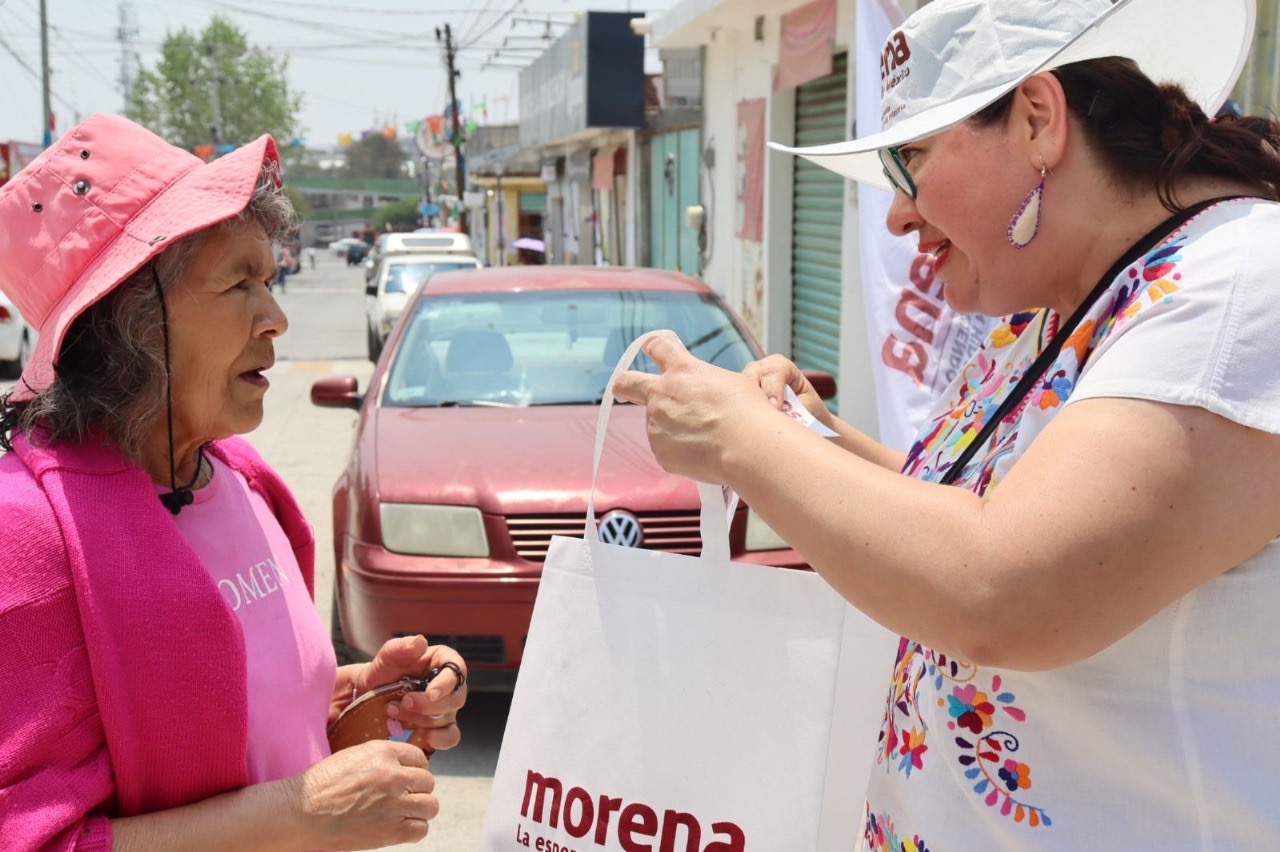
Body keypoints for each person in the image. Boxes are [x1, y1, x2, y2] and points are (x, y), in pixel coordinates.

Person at [613, 0, 1280, 846]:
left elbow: (1004, 587)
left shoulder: (1241, 285)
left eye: (911, 159)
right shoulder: (1061, 306)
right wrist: (810, 434)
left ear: (1039, 120)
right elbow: (967, 508)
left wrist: (741, 443)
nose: (895, 214)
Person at [0, 113, 468, 850]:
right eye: (238, 282)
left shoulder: (238, 480)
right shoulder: (28, 539)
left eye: (270, 279)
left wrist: (360, 698)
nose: (276, 317)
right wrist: (302, 812)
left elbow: (245, 729)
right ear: (128, 318)